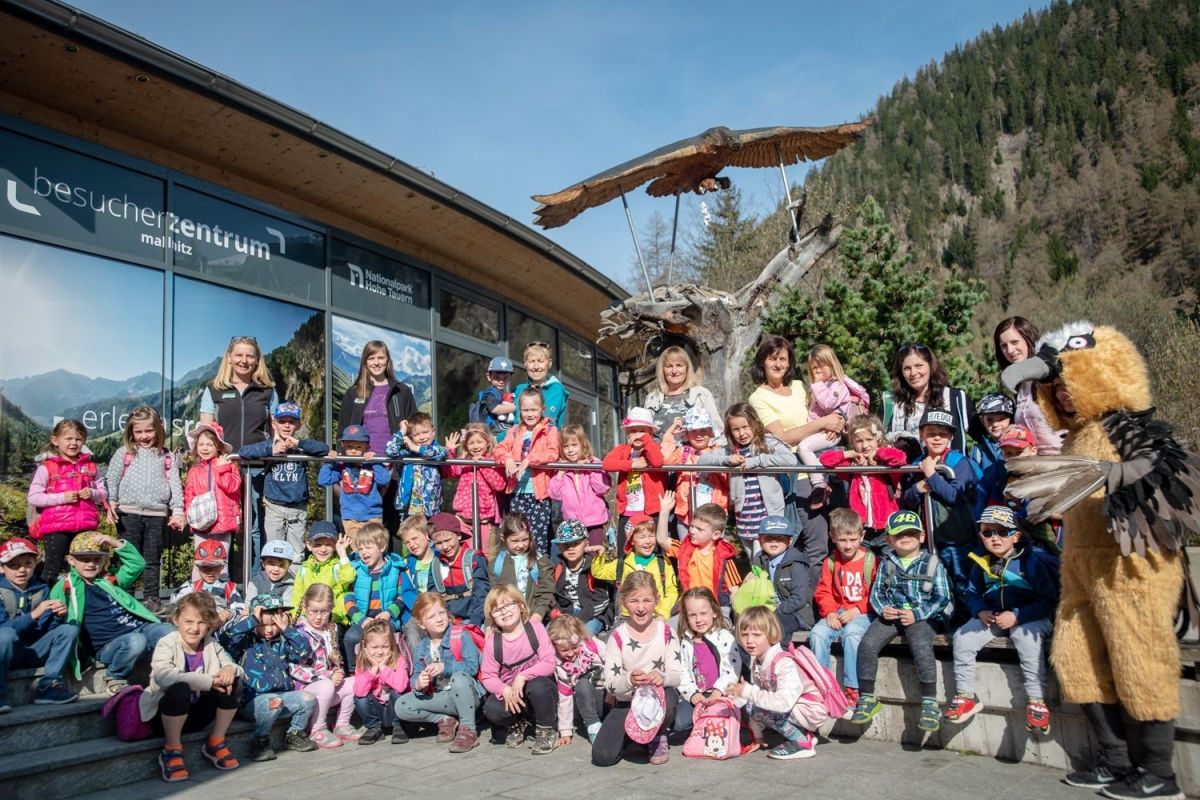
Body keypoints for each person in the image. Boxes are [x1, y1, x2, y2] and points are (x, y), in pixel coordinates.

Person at [944, 506, 1059, 736]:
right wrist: (980, 610)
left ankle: (1037, 700)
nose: (994, 538)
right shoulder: (982, 562)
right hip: (995, 616)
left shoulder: (1031, 561)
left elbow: (1048, 599)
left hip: (1031, 618)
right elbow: (972, 592)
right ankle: (966, 696)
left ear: (1016, 535)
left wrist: (1018, 616)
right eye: (988, 533)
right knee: (962, 638)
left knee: (1023, 637)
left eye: (1002, 532)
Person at [848, 510, 952, 733]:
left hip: (922, 616)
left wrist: (918, 613)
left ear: (922, 537)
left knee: (921, 645)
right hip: (893, 615)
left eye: (911, 533)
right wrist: (883, 609)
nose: (905, 537)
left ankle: (929, 702)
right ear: (889, 539)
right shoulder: (887, 563)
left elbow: (942, 597)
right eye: (899, 534)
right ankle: (867, 697)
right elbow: (877, 593)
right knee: (867, 644)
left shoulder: (932, 563)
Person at [748, 336, 845, 563]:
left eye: (783, 359)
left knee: (840, 540)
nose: (778, 364)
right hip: (801, 474)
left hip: (829, 464)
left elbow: (828, 408)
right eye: (773, 359)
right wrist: (822, 424)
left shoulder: (800, 386)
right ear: (762, 362)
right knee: (816, 545)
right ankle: (807, 598)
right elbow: (782, 437)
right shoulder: (758, 398)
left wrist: (837, 421)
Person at [49, 532, 174, 695]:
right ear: (71, 560)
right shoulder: (65, 587)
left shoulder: (109, 581)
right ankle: (115, 676)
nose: (91, 564)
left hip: (140, 629)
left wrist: (114, 542)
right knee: (136, 641)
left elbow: (137, 564)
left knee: (169, 632)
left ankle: (173, 671)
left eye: (96, 559)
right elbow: (53, 619)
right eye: (84, 559)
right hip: (109, 645)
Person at [139, 593, 241, 782]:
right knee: (180, 687)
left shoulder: (210, 644)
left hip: (197, 715)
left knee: (232, 681)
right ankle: (172, 750)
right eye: (189, 621)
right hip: (164, 716)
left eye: (201, 623)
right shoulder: (167, 643)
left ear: (209, 625)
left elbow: (237, 668)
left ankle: (216, 741)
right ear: (176, 620)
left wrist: (229, 668)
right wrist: (209, 681)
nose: (194, 628)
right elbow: (163, 676)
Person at [199, 336, 279, 559]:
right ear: (229, 358)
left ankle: (253, 581)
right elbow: (206, 432)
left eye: (249, 356)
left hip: (257, 468)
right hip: (225, 467)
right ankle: (221, 580)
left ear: (257, 360)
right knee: (222, 524)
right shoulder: (213, 390)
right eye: (239, 355)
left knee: (254, 527)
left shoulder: (268, 391)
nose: (244, 360)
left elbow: (277, 430)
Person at [592, 571, 683, 767]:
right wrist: (630, 680)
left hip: (659, 701)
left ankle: (657, 736)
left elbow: (677, 676)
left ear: (656, 600)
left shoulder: (667, 633)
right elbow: (611, 684)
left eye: (647, 601)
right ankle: (637, 736)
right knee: (603, 756)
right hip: (628, 703)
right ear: (624, 602)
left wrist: (662, 677)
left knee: (669, 696)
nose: (641, 608)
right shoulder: (617, 636)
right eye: (634, 601)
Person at [900, 408, 980, 624]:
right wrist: (918, 488)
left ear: (951, 437)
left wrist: (932, 475)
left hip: (957, 539)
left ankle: (965, 628)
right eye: (931, 432)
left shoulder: (958, 462)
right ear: (922, 435)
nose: (937, 438)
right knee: (933, 585)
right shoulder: (916, 461)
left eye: (943, 434)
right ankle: (938, 625)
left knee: (961, 584)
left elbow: (954, 495)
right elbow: (906, 499)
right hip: (928, 540)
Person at [104, 405, 184, 614]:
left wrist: (177, 510)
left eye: (149, 431)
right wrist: (111, 501)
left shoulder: (166, 456)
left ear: (158, 429)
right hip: (128, 513)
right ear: (131, 432)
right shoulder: (124, 453)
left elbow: (175, 485)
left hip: (157, 514)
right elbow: (112, 477)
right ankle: (125, 595)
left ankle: (151, 598)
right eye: (138, 432)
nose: (144, 436)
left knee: (152, 559)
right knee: (129, 557)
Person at [219, 593, 317, 761]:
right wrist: (252, 620)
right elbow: (226, 638)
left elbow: (304, 652)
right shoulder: (246, 641)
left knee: (308, 698)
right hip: (254, 701)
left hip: (282, 696)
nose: (270, 630)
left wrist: (287, 630)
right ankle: (260, 741)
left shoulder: (283, 641)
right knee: (273, 702)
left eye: (274, 624)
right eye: (264, 625)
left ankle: (294, 733)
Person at [337, 339, 418, 537]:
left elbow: (414, 426)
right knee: (363, 524)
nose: (376, 362)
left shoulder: (401, 391)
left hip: (393, 465)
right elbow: (342, 431)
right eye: (371, 358)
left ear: (388, 360)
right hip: (362, 466)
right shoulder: (353, 393)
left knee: (392, 520)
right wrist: (342, 464)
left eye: (381, 357)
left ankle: (392, 566)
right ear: (364, 362)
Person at [699, 403, 796, 558]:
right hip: (744, 514)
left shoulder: (767, 442)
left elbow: (790, 460)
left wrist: (758, 461)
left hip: (767, 512)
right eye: (736, 429)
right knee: (752, 559)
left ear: (754, 424)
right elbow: (702, 460)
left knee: (763, 558)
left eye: (745, 427)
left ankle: (768, 582)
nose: (741, 433)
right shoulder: (729, 449)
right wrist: (726, 460)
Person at [732, 605, 828, 760]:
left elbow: (783, 703)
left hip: (810, 710)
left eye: (757, 635)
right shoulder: (758, 661)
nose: (749, 641)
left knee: (759, 704)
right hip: (797, 708)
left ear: (770, 635)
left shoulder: (783, 663)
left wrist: (748, 692)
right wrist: (757, 736)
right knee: (752, 703)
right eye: (744, 635)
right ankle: (804, 735)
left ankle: (802, 743)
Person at [395, 592, 485, 753]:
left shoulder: (460, 635)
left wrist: (445, 667)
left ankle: (468, 729)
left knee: (458, 678)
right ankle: (445, 720)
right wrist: (418, 683)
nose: (439, 618)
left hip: (467, 696)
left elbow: (472, 667)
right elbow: (416, 674)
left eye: (442, 612)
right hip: (442, 699)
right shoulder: (422, 648)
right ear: (421, 624)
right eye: (431, 616)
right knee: (401, 705)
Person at [237, 401, 330, 555]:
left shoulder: (302, 447)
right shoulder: (269, 446)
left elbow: (323, 449)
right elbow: (243, 451)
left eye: (291, 422)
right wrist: (271, 450)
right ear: (274, 424)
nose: (287, 426)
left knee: (297, 553)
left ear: (298, 425)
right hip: (274, 507)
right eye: (282, 422)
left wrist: (300, 444)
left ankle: (294, 579)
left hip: (298, 509)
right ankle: (275, 579)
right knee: (275, 551)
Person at [0, 537, 79, 709]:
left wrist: (57, 616)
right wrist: (33, 614)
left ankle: (49, 685)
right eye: (13, 565)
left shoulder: (41, 588)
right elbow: (3, 629)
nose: (22, 570)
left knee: (68, 630)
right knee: (5, 635)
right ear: (2, 567)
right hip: (6, 652)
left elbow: (46, 629)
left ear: (35, 564)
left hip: (33, 650)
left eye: (28, 564)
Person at [26, 418, 107, 586]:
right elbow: (34, 497)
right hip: (57, 528)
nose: (73, 443)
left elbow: (103, 493)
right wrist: (62, 498)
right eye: (68, 439)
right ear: (55, 440)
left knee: (84, 570)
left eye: (78, 439)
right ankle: (49, 605)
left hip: (85, 528)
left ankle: (81, 604)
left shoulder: (91, 467)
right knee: (52, 569)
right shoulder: (47, 467)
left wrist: (92, 493)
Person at [478, 585, 558, 755]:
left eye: (508, 605)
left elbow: (549, 662)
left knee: (538, 686)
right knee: (491, 708)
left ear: (521, 605)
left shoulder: (535, 628)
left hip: (538, 688)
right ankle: (516, 723)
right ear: (491, 617)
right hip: (512, 694)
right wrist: (504, 689)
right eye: (497, 610)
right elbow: (488, 676)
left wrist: (523, 676)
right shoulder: (493, 642)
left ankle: (546, 729)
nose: (504, 612)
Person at [809, 508, 876, 707]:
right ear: (832, 537)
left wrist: (858, 610)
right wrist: (829, 612)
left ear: (862, 535)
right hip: (837, 611)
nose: (847, 545)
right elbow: (823, 591)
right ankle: (822, 686)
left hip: (864, 612)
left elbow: (877, 593)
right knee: (817, 634)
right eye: (842, 540)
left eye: (853, 539)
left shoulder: (871, 560)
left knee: (852, 634)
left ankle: (852, 688)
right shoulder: (830, 561)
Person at [819, 415, 907, 553]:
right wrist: (849, 454)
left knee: (888, 565)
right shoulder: (852, 464)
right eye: (859, 441)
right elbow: (825, 460)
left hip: (887, 529)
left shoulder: (885, 462)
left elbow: (900, 458)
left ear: (878, 439)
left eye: (869, 440)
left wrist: (878, 452)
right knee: (864, 567)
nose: (865, 445)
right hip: (861, 530)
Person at [799, 344, 870, 506]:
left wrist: (816, 384)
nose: (818, 371)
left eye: (822, 365)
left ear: (832, 364)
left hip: (831, 433)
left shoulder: (838, 385)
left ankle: (819, 482)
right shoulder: (821, 387)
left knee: (804, 447)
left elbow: (827, 404)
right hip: (820, 430)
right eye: (814, 367)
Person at [494, 389, 560, 556]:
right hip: (517, 493)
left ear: (542, 409)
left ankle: (540, 577)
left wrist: (530, 459)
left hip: (539, 494)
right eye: (525, 410)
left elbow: (553, 453)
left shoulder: (550, 430)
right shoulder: (515, 430)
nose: (529, 414)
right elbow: (499, 449)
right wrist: (508, 458)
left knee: (538, 538)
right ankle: (519, 575)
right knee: (517, 537)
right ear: (519, 410)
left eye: (533, 410)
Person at [291, 584, 355, 748]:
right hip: (306, 691)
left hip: (328, 687)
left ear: (331, 609)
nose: (318, 617)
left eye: (324, 611)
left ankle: (342, 725)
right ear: (305, 607)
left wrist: (337, 670)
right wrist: (327, 676)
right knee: (326, 685)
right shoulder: (298, 632)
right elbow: (294, 668)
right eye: (314, 611)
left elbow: (333, 659)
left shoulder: (331, 630)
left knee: (356, 682)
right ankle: (317, 729)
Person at [675, 587, 741, 738]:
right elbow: (682, 671)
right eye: (693, 615)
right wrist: (692, 693)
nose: (698, 620)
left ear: (714, 612)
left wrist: (718, 691)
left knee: (718, 716)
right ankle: (701, 726)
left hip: (721, 693)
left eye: (703, 613)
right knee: (679, 723)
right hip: (699, 694)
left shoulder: (724, 637)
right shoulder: (686, 641)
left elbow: (732, 668)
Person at [885, 342, 975, 453]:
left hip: (947, 468)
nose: (913, 373)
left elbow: (983, 435)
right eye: (907, 368)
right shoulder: (891, 403)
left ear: (931, 366)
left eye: (919, 366)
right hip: (907, 469)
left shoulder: (955, 398)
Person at [655, 494, 739, 611]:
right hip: (688, 607)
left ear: (716, 535)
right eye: (692, 526)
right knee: (670, 626)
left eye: (699, 529)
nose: (692, 531)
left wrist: (737, 618)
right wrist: (664, 512)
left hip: (715, 608)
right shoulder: (685, 548)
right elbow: (662, 540)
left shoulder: (725, 558)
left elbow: (734, 591)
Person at [992, 317, 1063, 455]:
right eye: (1004, 346)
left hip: (1067, 463)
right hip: (1037, 465)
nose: (1010, 350)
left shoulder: (1052, 377)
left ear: (1029, 340)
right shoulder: (1020, 387)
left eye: (1014, 342)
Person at [589, 514, 679, 622]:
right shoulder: (622, 564)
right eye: (642, 537)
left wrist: (663, 613)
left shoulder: (663, 563)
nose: (648, 541)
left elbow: (671, 591)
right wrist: (600, 555)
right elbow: (598, 572)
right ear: (631, 541)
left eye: (651, 536)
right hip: (627, 618)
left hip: (656, 616)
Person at [182, 421, 241, 580]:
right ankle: (197, 596)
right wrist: (188, 515)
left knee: (221, 562)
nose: (205, 448)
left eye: (209, 444)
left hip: (223, 523)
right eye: (201, 444)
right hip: (202, 526)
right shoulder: (194, 471)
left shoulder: (228, 466)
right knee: (200, 562)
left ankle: (221, 598)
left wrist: (222, 468)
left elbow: (232, 487)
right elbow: (189, 495)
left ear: (218, 447)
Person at [343, 522, 407, 670]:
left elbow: (401, 596)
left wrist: (389, 613)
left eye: (368, 547)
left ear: (382, 547)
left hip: (386, 619)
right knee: (351, 638)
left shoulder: (395, 570)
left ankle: (392, 670)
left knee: (386, 638)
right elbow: (348, 599)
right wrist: (361, 619)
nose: (364, 552)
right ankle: (354, 671)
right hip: (364, 619)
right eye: (360, 549)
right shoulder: (356, 571)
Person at [602, 407, 667, 549]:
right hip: (628, 510)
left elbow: (657, 462)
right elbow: (607, 463)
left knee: (652, 547)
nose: (637, 435)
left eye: (642, 431)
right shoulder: (623, 449)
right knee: (624, 549)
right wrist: (632, 464)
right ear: (626, 433)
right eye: (632, 431)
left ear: (650, 433)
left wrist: (646, 441)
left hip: (651, 510)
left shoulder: (654, 448)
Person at [660, 407, 728, 535]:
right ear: (686, 433)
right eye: (694, 431)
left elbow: (726, 479)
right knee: (687, 550)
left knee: (714, 551)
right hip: (686, 514)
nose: (699, 435)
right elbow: (666, 460)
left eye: (703, 430)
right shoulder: (682, 453)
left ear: (711, 432)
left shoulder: (719, 452)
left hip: (714, 514)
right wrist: (669, 434)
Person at [317, 424, 391, 538]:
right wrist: (329, 462)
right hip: (350, 517)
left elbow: (384, 480)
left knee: (374, 547)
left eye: (358, 447)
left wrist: (375, 461)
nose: (353, 451)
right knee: (357, 549)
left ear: (367, 447)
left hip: (372, 515)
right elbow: (323, 480)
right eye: (349, 447)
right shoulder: (342, 465)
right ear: (343, 446)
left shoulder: (371, 464)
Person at [443, 423, 507, 550]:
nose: (475, 446)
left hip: (483, 520)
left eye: (479, 442)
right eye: (471, 443)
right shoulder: (465, 461)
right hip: (462, 519)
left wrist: (482, 464)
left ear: (488, 442)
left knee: (483, 554)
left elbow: (499, 485)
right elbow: (448, 472)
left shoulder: (493, 462)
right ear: (466, 445)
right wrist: (449, 451)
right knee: (464, 553)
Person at [750, 516, 813, 642]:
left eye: (780, 538)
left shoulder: (796, 563)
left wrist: (775, 612)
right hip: (767, 611)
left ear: (789, 541)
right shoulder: (758, 560)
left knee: (778, 626)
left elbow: (799, 598)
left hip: (796, 614)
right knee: (746, 624)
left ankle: (780, 657)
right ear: (760, 540)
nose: (774, 542)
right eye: (768, 538)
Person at [547, 424, 611, 546]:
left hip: (594, 521)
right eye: (566, 446)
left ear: (583, 445)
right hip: (572, 522)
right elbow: (555, 495)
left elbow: (602, 488)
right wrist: (560, 473)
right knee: (577, 555)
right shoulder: (563, 469)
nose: (570, 450)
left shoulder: (594, 463)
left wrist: (590, 469)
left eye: (574, 445)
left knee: (595, 553)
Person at [643, 345, 724, 441]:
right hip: (659, 454)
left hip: (693, 454)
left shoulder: (702, 395)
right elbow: (643, 433)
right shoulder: (652, 398)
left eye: (679, 365)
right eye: (669, 366)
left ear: (687, 368)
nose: (674, 371)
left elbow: (718, 431)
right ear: (662, 370)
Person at [547, 614, 604, 745]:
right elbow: (564, 698)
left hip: (607, 693)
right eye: (564, 650)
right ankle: (593, 726)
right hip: (587, 702)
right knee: (582, 683)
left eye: (574, 648)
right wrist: (565, 731)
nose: (571, 653)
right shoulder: (560, 667)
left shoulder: (592, 644)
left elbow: (613, 661)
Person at [353, 618, 411, 745]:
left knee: (398, 693)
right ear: (364, 646)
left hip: (396, 711)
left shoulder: (399, 660)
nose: (380, 652)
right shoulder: (362, 663)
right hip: (378, 710)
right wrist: (373, 670)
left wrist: (384, 668)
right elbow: (359, 691)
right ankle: (374, 728)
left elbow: (401, 687)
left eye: (385, 646)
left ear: (391, 644)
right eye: (374, 647)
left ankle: (399, 726)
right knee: (360, 698)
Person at [549, 521, 613, 636]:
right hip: (565, 614)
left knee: (584, 636)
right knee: (550, 634)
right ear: (559, 547)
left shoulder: (594, 567)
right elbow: (552, 596)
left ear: (586, 543)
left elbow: (602, 600)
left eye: (576, 543)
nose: (571, 549)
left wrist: (579, 618)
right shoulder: (557, 568)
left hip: (593, 614)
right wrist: (557, 613)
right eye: (566, 545)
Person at [386, 411, 450, 525]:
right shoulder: (407, 452)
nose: (421, 437)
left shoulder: (437, 449)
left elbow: (443, 453)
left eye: (425, 432)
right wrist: (402, 431)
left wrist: (416, 448)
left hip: (431, 508)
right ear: (410, 436)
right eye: (416, 434)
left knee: (431, 537)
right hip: (409, 507)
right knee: (410, 537)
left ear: (433, 431)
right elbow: (390, 451)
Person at [427, 512, 490, 628]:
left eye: (448, 540)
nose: (445, 547)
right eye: (439, 543)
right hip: (447, 619)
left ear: (458, 535)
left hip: (475, 617)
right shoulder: (436, 564)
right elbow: (433, 595)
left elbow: (481, 592)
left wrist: (475, 621)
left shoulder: (474, 558)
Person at [489, 513, 555, 622]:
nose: (520, 545)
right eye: (515, 541)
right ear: (503, 538)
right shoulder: (496, 565)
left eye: (525, 540)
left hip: (534, 618)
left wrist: (538, 613)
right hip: (507, 620)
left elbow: (547, 591)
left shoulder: (540, 561)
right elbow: (493, 597)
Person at [291, 522, 356, 627]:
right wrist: (298, 618)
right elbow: (297, 597)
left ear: (335, 545)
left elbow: (349, 578)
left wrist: (342, 553)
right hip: (309, 620)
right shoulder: (304, 569)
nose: (323, 549)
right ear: (308, 545)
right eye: (318, 545)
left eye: (328, 544)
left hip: (334, 619)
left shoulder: (338, 566)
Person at [169, 540, 244, 624]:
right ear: (197, 567)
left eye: (215, 567)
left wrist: (228, 613)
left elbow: (241, 610)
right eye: (205, 567)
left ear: (222, 566)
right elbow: (174, 611)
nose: (210, 572)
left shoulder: (229, 588)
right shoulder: (190, 588)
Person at [970, 393, 1016, 511]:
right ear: (982, 420)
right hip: (989, 511)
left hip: (1017, 509)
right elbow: (979, 488)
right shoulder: (979, 451)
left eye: (1001, 419)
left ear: (1010, 418)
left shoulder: (1019, 446)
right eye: (990, 419)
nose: (995, 424)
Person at [512, 341, 569, 431]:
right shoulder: (518, 390)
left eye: (540, 361)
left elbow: (544, 424)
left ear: (549, 363)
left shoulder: (556, 390)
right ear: (525, 364)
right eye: (532, 361)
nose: (536, 366)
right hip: (515, 441)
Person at [245, 539, 297, 607]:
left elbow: (287, 608)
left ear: (289, 565)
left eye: (282, 565)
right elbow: (249, 605)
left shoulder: (290, 584)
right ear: (263, 563)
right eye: (272, 564)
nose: (276, 569)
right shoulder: (255, 582)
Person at [474, 355, 517, 437]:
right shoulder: (491, 393)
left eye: (505, 378)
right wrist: (514, 408)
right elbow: (494, 409)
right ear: (489, 377)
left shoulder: (500, 392)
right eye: (497, 378)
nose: (501, 381)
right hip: (489, 430)